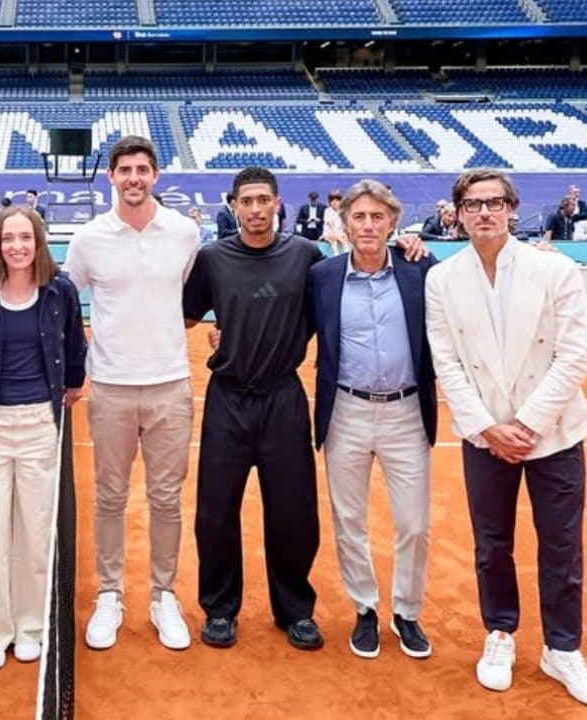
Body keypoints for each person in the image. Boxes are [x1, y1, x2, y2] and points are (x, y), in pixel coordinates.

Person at [426, 168, 587, 706]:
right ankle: (500, 631)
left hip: (555, 435)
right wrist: (487, 427)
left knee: (562, 546)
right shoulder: (442, 280)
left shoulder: (557, 270)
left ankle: (562, 648)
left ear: (512, 208)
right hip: (486, 438)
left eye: (494, 202)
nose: (484, 212)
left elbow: (574, 356)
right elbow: (446, 362)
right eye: (473, 204)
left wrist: (527, 425)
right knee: (492, 544)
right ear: (457, 213)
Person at [64, 135, 199, 652]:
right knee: (110, 498)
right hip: (111, 388)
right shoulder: (88, 238)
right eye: (125, 170)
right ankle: (110, 594)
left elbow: (187, 297)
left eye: (143, 169)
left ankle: (163, 596)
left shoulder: (185, 233)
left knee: (166, 499)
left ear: (156, 175)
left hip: (170, 385)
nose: (134, 178)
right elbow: (64, 303)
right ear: (111, 177)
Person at [183, 166, 326, 651]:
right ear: (234, 206)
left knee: (293, 511)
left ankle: (295, 610)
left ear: (277, 203)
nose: (256, 209)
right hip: (228, 397)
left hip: (284, 397)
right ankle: (220, 610)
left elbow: (329, 310)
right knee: (215, 511)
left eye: (264, 200)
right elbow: (185, 314)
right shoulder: (212, 258)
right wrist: (219, 335)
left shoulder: (306, 255)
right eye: (247, 201)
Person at [307, 180, 438, 660]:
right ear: (345, 223)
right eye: (359, 217)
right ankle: (365, 608)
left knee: (414, 523)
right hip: (346, 410)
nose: (367, 226)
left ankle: (406, 611)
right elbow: (289, 325)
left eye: (377, 217)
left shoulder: (419, 268)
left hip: (406, 411)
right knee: (349, 519)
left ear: (393, 223)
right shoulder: (322, 275)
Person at [0, 207, 86, 670]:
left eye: (25, 238)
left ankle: (31, 626)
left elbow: (74, 346)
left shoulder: (60, 290)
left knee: (35, 531)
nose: (16, 246)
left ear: (39, 242)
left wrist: (72, 383)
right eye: (8, 238)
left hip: (39, 424)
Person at [323, 189, 347, 256]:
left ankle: (346, 254)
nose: (334, 202)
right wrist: (336, 234)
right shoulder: (327, 211)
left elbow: (344, 224)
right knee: (333, 237)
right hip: (329, 232)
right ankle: (336, 255)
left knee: (344, 237)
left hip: (340, 232)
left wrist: (343, 233)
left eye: (337, 200)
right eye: (332, 200)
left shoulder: (342, 211)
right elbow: (330, 225)